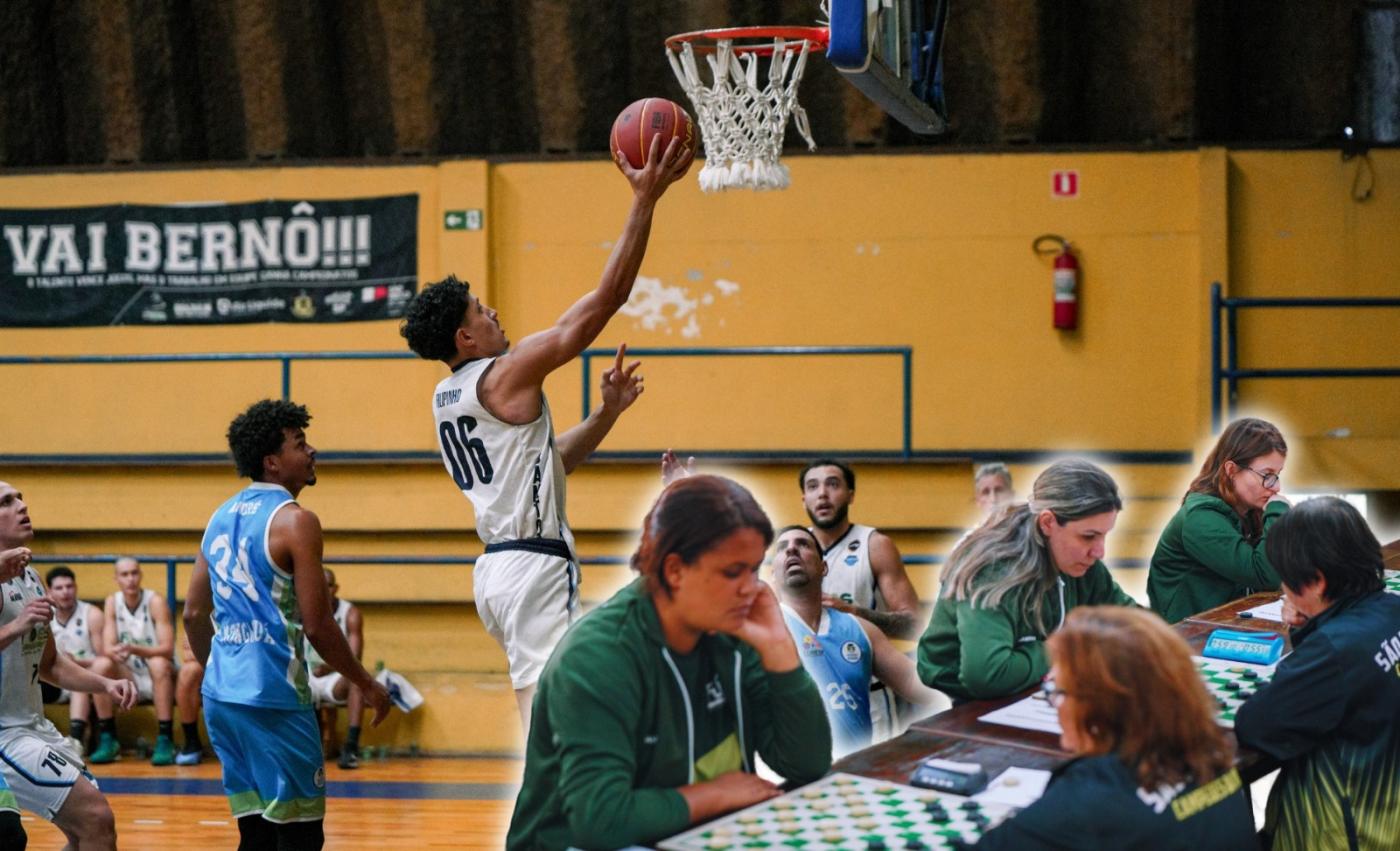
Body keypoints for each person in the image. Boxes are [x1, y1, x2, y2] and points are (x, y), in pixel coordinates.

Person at [399, 135, 688, 732]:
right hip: (532, 568)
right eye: (481, 311)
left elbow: (546, 463)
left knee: (588, 699)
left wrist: (606, 415)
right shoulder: (507, 372)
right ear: (465, 338)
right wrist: (645, 199)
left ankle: (582, 809)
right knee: (553, 720)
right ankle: (547, 822)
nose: (494, 313)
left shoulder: (447, 396)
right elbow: (604, 302)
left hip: (501, 570)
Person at [506, 475, 831, 850]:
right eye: (731, 572)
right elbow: (601, 821)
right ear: (675, 570)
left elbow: (806, 764)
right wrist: (715, 794)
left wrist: (781, 655)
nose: (752, 589)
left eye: (754, 569)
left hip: (696, 835)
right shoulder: (595, 657)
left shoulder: (737, 631)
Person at [183, 400, 391, 851]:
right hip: (274, 696)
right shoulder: (297, 521)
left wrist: (217, 669)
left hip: (222, 698)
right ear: (273, 462)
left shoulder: (217, 517)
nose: (312, 451)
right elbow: (318, 625)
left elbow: (193, 614)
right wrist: (366, 683)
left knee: (254, 834)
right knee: (300, 836)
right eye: (301, 444)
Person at [975, 606, 1257, 849]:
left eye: (1057, 691)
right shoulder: (1210, 750)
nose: (1054, 704)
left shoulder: (1090, 801)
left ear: (1099, 708)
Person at [1235, 497, 1400, 851]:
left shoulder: (1333, 651)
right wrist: (1312, 625)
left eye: (1286, 579)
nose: (1283, 590)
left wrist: (1310, 635)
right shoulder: (1392, 609)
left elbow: (1255, 725)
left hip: (1344, 835)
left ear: (1318, 582)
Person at [918, 459, 1137, 702]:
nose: (1099, 552)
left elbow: (1133, 621)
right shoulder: (994, 570)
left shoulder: (1079, 562)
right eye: (1088, 537)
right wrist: (1069, 649)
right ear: (1047, 523)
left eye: (1104, 536)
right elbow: (987, 674)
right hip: (976, 706)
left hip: (1037, 688)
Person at [0, 481, 138, 850]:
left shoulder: (29, 575)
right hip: (4, 736)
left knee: (88, 832)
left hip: (33, 727)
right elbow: (17, 629)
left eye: (20, 498)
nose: (21, 505)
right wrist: (16, 625)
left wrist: (104, 684)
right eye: (6, 502)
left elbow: (52, 665)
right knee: (95, 818)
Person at [772, 526, 939, 757]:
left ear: (824, 567)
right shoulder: (760, 631)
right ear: (773, 572)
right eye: (782, 548)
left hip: (852, 771)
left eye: (803, 544)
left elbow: (916, 681)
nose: (791, 550)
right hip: (792, 777)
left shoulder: (861, 629)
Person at [800, 458, 922, 740]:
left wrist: (854, 612)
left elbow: (914, 625)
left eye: (833, 484)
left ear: (851, 494)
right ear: (803, 498)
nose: (823, 494)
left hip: (870, 696)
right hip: (812, 698)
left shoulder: (875, 545)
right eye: (813, 486)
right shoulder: (793, 549)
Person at [1149, 417, 1290, 623]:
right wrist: (1279, 513)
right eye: (1267, 475)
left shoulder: (1249, 512)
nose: (1275, 487)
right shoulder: (1200, 518)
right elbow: (1264, 575)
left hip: (1220, 630)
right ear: (1231, 470)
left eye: (1277, 475)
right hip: (1183, 639)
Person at [101, 556, 177, 765]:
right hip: (131, 675)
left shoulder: (155, 601)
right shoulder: (112, 602)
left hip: (160, 675)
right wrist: (115, 652)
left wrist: (134, 648)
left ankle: (165, 738)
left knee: (159, 663)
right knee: (102, 665)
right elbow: (107, 647)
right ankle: (108, 738)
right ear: (116, 578)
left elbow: (168, 649)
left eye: (134, 573)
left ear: (141, 575)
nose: (131, 579)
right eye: (125, 575)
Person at [45, 566, 122, 763]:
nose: (65, 592)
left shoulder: (91, 614)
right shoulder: (44, 615)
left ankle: (77, 740)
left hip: (84, 676)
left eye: (69, 586)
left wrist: (76, 662)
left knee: (83, 675)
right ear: (49, 591)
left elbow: (103, 656)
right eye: (59, 588)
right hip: (51, 678)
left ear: (76, 588)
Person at [304, 568, 367, 770]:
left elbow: (355, 659)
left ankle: (351, 746)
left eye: (328, 585)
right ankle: (305, 748)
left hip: (335, 676)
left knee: (357, 679)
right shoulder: (300, 609)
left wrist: (329, 667)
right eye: (319, 585)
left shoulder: (350, 613)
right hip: (305, 675)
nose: (323, 589)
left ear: (335, 588)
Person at [174, 631, 205, 765]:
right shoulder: (200, 611)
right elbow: (189, 655)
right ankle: (192, 741)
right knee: (188, 670)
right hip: (211, 664)